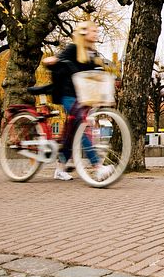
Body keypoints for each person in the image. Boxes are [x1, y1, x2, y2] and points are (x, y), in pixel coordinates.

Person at [43, 21, 114, 181]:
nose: (96, 33)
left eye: (96, 30)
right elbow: (58, 61)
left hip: (83, 97)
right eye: (93, 30)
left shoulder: (92, 54)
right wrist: (51, 61)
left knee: (72, 133)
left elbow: (98, 75)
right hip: (68, 94)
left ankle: (60, 169)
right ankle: (97, 166)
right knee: (81, 125)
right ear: (83, 33)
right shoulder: (72, 49)